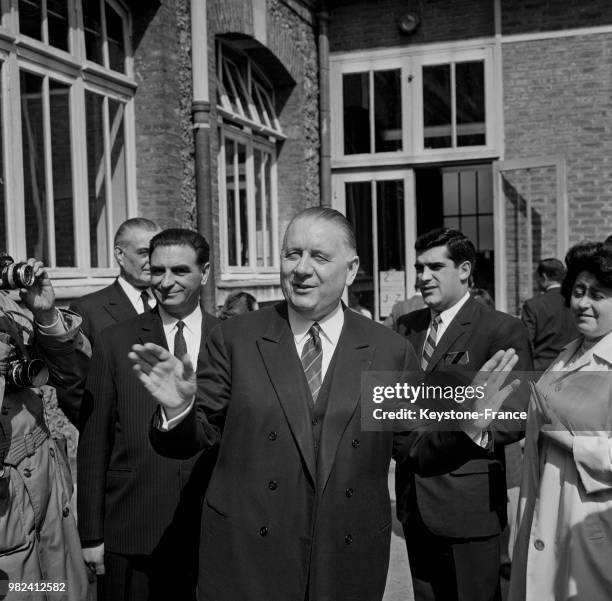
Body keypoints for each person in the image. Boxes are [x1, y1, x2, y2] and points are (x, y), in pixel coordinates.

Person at [129, 208, 520, 601]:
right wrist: (178, 410)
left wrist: (469, 425)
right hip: (247, 556)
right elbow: (198, 436)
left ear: (351, 270)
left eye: (318, 256)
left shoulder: (388, 351)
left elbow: (414, 446)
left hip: (345, 557)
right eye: (291, 254)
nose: (300, 269)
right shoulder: (235, 340)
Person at [77, 229, 220, 601]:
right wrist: (91, 535)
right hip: (134, 526)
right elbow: (95, 441)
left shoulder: (231, 338)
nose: (166, 282)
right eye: (157, 271)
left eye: (179, 271)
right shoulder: (116, 341)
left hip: (213, 528)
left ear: (204, 273)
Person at [395, 227, 533, 601]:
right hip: (413, 500)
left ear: (465, 269)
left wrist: (469, 425)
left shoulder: (501, 330)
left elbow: (516, 414)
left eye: (435, 267)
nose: (423, 277)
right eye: (418, 268)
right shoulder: (405, 329)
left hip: (468, 504)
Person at [509, 242, 612, 601]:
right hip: (543, 513)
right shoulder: (568, 354)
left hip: (590, 530)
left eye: (598, 294)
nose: (583, 303)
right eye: (579, 292)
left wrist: (571, 442)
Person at [0, 255, 91, 600]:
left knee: (63, 584)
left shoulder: (10, 300)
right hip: (5, 498)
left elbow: (73, 377)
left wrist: (46, 315)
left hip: (44, 472)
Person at [70, 217, 161, 349]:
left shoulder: (171, 300)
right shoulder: (87, 310)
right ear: (120, 255)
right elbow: (76, 366)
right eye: (144, 253)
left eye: (156, 253)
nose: (153, 261)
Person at [521, 258, 579, 371]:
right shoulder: (576, 301)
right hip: (572, 365)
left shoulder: (533, 305)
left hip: (541, 369)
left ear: (544, 277)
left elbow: (526, 342)